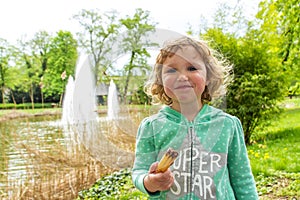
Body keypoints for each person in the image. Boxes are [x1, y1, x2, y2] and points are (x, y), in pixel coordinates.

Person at [132, 36, 259, 199]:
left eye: (192, 68)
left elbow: (242, 179)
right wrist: (149, 182)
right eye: (171, 70)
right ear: (160, 80)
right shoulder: (151, 126)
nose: (182, 76)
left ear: (208, 77)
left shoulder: (227, 125)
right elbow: (139, 171)